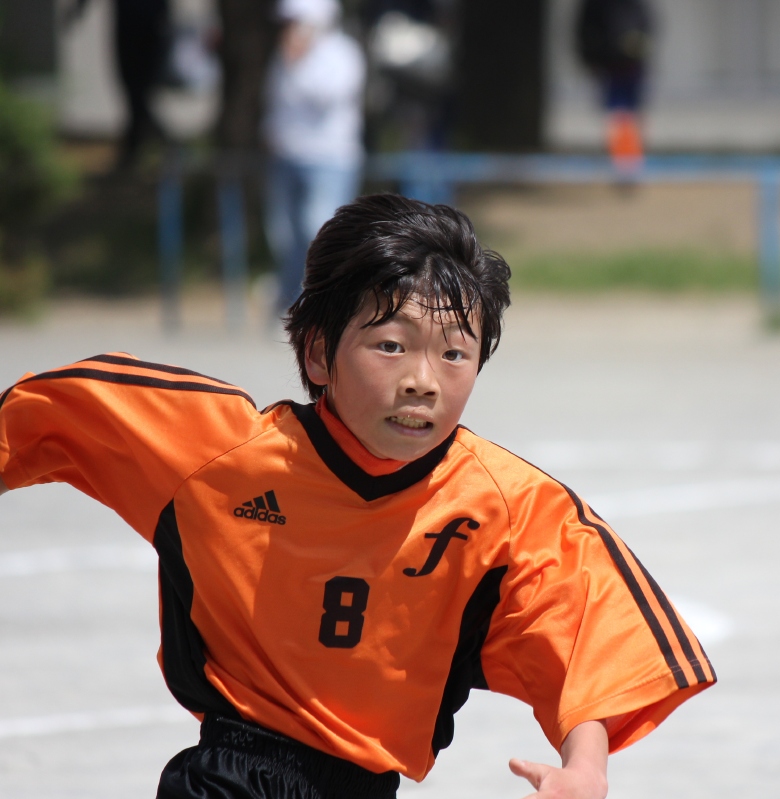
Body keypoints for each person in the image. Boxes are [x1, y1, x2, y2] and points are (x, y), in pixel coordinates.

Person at [0, 194, 714, 798]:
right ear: (317, 352)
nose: (423, 380)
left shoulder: (507, 507)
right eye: (391, 346)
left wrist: (585, 768)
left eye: (455, 353)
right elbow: (50, 414)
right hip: (229, 771)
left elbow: (582, 633)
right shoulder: (217, 453)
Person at [264, 0, 366, 313]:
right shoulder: (284, 55)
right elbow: (277, 101)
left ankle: (325, 305)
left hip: (328, 160)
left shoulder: (342, 53)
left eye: (297, 21)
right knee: (284, 235)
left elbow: (328, 96)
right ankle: (291, 303)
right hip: (286, 157)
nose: (290, 29)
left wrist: (299, 62)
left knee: (319, 231)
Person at [67, 0, 170, 169]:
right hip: (141, 16)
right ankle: (140, 143)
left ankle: (144, 142)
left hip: (148, 18)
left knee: (139, 88)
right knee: (135, 88)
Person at [574, 0, 653, 174]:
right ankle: (624, 164)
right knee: (619, 114)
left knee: (626, 114)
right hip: (611, 64)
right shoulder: (597, 6)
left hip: (629, 64)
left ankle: (628, 163)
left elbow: (646, 22)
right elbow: (587, 29)